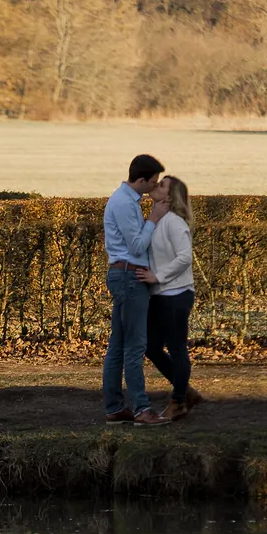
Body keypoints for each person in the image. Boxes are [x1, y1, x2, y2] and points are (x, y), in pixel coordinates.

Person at [102, 154, 169, 426]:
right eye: (152, 182)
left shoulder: (125, 201)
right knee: (134, 346)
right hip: (130, 276)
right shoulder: (124, 204)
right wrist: (154, 217)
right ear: (140, 179)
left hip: (124, 275)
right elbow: (137, 246)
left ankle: (115, 408)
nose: (154, 187)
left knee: (118, 345)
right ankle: (142, 409)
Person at [138, 176, 205, 422]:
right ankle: (186, 392)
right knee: (152, 347)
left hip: (176, 294)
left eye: (162, 185)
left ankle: (178, 402)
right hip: (160, 295)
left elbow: (184, 257)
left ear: (170, 196)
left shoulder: (175, 223)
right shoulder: (158, 221)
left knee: (177, 348)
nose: (156, 186)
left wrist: (158, 276)